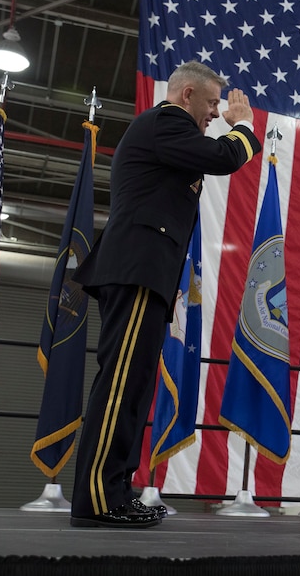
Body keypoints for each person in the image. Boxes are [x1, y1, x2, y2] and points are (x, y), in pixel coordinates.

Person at [70, 61, 262, 528]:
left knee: (133, 388)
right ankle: (97, 497)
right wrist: (246, 128)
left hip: (148, 273)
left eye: (221, 105)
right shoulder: (165, 121)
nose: (216, 113)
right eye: (213, 102)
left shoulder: (168, 131)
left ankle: (114, 490)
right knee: (120, 387)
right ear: (187, 95)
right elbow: (223, 158)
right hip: (137, 269)